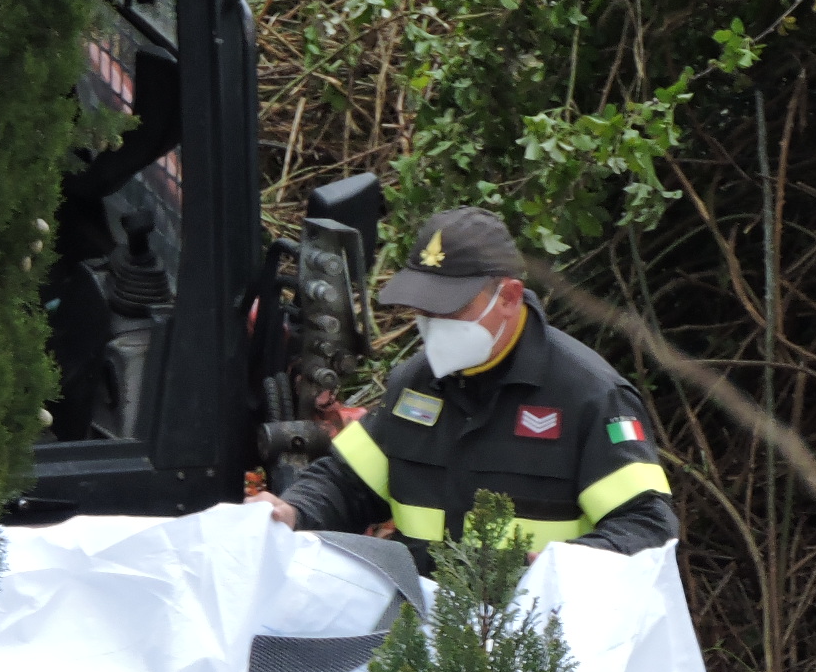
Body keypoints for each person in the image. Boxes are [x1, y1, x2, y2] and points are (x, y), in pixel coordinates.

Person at [249, 206, 677, 569]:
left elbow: (646, 526)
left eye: (450, 307)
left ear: (508, 297)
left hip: (536, 639)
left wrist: (559, 567)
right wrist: (293, 509)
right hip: (422, 630)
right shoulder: (415, 383)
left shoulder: (589, 396)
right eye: (424, 308)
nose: (433, 323)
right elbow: (348, 484)